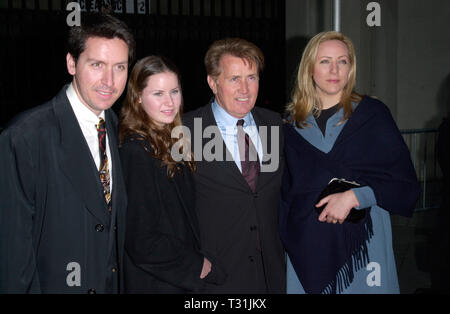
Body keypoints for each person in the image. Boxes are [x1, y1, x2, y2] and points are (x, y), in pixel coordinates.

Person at [0, 13, 134, 293]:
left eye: (119, 67)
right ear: (72, 63)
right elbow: (13, 256)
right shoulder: (24, 137)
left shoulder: (116, 127)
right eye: (97, 65)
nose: (109, 80)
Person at [280, 31, 421, 294]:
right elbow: (285, 193)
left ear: (350, 67)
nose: (334, 69)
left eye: (342, 61)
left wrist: (356, 196)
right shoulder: (290, 125)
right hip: (308, 249)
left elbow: (404, 182)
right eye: (325, 61)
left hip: (364, 249)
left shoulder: (372, 115)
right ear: (309, 68)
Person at [183, 38, 286, 293]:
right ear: (213, 82)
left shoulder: (274, 125)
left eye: (251, 78)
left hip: (272, 276)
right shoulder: (185, 130)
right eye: (234, 79)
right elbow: (171, 208)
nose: (245, 89)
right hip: (216, 278)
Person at [119, 56, 225, 293]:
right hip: (156, 281)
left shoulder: (173, 137)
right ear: (138, 97)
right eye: (158, 94)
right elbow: (140, 239)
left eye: (174, 91)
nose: (169, 102)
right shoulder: (135, 149)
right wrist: (199, 266)